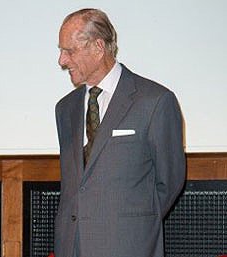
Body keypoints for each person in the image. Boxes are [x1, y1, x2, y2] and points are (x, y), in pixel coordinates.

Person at [54, 8, 185, 257]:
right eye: (61, 51)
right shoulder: (65, 108)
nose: (62, 61)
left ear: (98, 47)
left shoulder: (154, 101)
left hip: (129, 246)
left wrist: (131, 223)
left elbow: (170, 181)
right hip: (71, 246)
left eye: (69, 51)